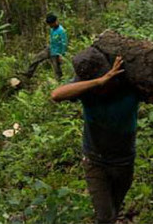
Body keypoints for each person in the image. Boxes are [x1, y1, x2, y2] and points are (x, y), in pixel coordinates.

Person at [50, 49, 141, 224]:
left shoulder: (129, 87)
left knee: (114, 208)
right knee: (104, 217)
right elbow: (56, 95)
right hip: (94, 161)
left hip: (124, 161)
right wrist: (98, 82)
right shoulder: (86, 89)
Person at [23, 13, 68, 81]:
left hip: (57, 53)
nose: (50, 26)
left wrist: (61, 55)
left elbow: (64, 44)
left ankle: (60, 83)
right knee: (37, 58)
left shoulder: (61, 31)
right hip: (50, 49)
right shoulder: (52, 29)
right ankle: (28, 74)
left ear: (55, 22)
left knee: (57, 70)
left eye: (50, 24)